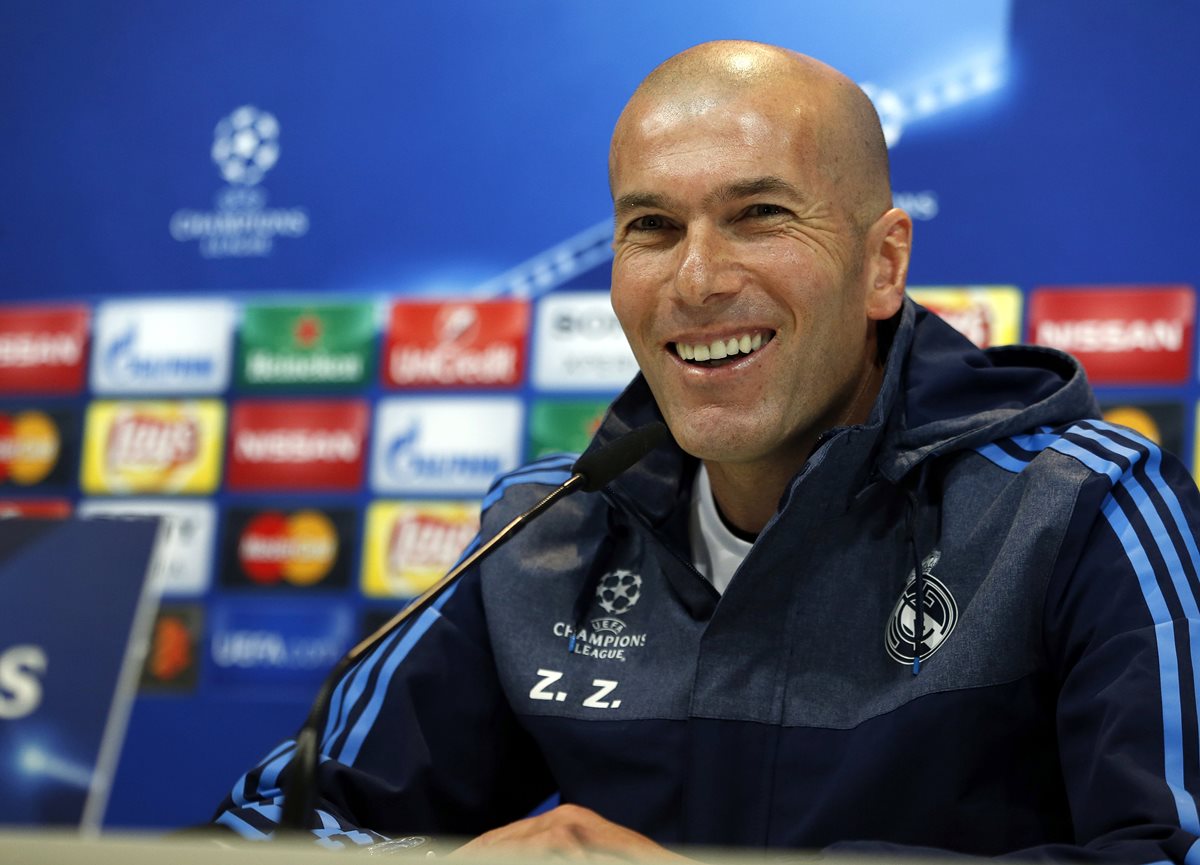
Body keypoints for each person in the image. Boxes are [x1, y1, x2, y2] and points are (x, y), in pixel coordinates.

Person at [213, 41, 1200, 862]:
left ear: (883, 263)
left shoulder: (1085, 508)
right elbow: (257, 833)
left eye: (758, 216)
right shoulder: (544, 530)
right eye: (651, 226)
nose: (695, 278)